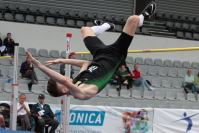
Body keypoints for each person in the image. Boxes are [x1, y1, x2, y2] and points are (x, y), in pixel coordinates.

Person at [25, 1, 156, 100]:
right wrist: (38, 64)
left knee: (85, 30)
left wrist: (61, 60)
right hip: (116, 55)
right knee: (133, 20)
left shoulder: (77, 81)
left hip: (100, 54)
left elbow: (85, 64)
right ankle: (143, 18)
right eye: (61, 81)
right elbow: (64, 80)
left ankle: (105, 26)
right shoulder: (80, 93)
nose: (65, 77)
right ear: (64, 90)